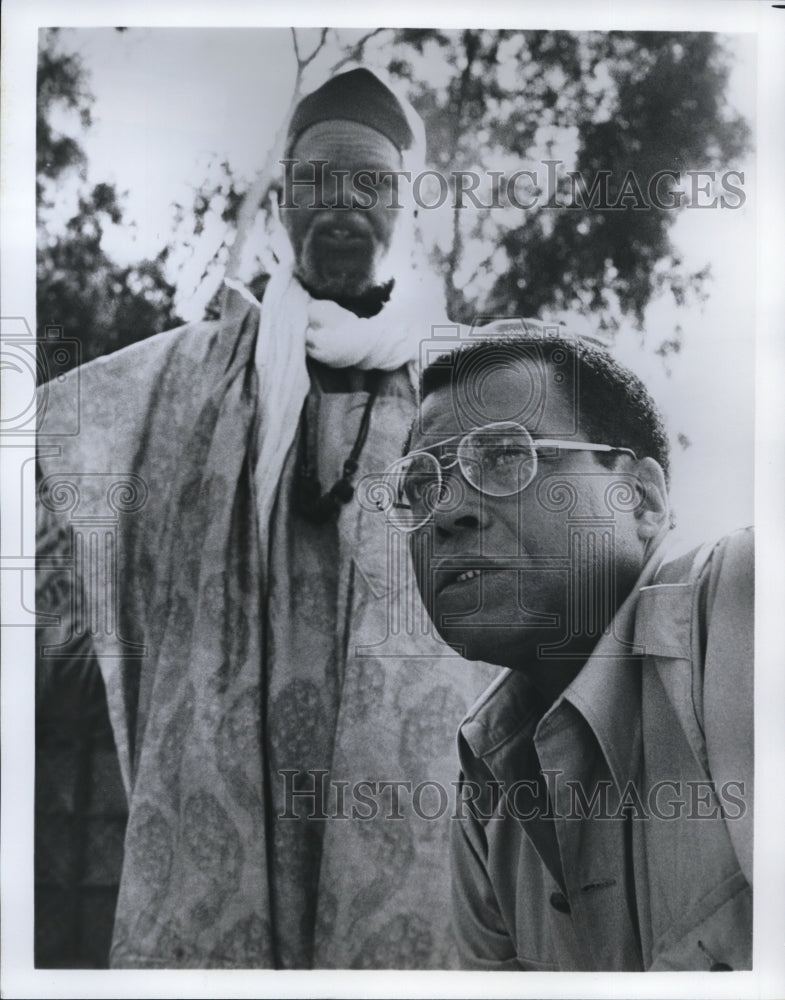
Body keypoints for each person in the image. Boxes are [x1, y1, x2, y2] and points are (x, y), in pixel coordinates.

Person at [35, 68, 494, 969]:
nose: (340, 206)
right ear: (283, 202)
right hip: (225, 755)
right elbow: (43, 442)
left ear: (409, 208)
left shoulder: (464, 379)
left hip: (398, 769)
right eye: (316, 182)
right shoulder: (198, 370)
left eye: (370, 183)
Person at [383, 324, 753, 971]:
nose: (444, 512)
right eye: (420, 483)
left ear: (638, 496)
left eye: (502, 455)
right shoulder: (487, 792)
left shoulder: (738, 604)